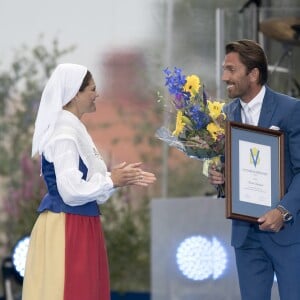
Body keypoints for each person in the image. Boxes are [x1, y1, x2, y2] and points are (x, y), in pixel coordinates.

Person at [22, 63, 156, 300]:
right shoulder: (64, 134)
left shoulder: (74, 129)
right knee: (70, 291)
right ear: (75, 93)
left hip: (80, 221)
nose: (97, 94)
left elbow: (88, 185)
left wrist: (116, 179)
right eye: (92, 89)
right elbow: (70, 191)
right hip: (68, 226)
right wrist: (110, 180)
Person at [209, 39, 300, 300]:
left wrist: (282, 211)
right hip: (246, 237)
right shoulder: (225, 115)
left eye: (231, 69)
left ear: (254, 74)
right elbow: (229, 170)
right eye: (224, 69)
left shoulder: (291, 109)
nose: (224, 76)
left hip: (289, 234)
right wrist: (219, 178)